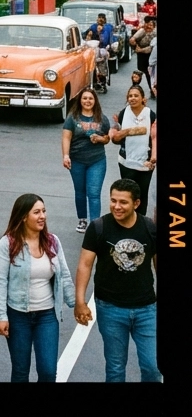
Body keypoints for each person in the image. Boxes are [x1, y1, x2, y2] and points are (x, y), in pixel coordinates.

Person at [74, 178, 160, 381]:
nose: (116, 206)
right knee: (115, 368)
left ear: (136, 204)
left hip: (146, 309)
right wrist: (80, 302)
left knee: (153, 367)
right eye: (113, 200)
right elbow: (85, 265)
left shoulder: (150, 229)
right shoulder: (98, 227)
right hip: (110, 308)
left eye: (123, 202)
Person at [0, 194, 76, 383]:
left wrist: (76, 304)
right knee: (21, 371)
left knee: (48, 371)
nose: (42, 216)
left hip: (47, 315)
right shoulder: (8, 243)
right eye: (36, 212)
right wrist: (1, 317)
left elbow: (64, 274)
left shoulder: (52, 241)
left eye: (44, 211)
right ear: (23, 217)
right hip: (18, 315)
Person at [62, 87, 111, 232]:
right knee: (80, 191)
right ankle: (82, 220)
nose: (87, 101)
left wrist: (101, 138)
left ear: (95, 101)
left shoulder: (102, 118)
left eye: (90, 98)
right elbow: (66, 137)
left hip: (97, 160)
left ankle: (94, 224)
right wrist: (66, 155)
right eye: (85, 98)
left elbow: (108, 138)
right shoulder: (72, 118)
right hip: (76, 159)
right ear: (80, 100)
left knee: (94, 193)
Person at [110, 84, 157, 215]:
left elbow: (155, 138)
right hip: (126, 162)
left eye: (136, 96)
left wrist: (153, 157)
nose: (133, 98)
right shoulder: (123, 113)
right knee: (128, 194)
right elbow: (116, 138)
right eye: (130, 96)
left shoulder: (151, 115)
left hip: (145, 164)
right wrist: (119, 134)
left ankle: (140, 221)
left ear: (143, 99)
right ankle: (127, 218)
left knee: (142, 195)